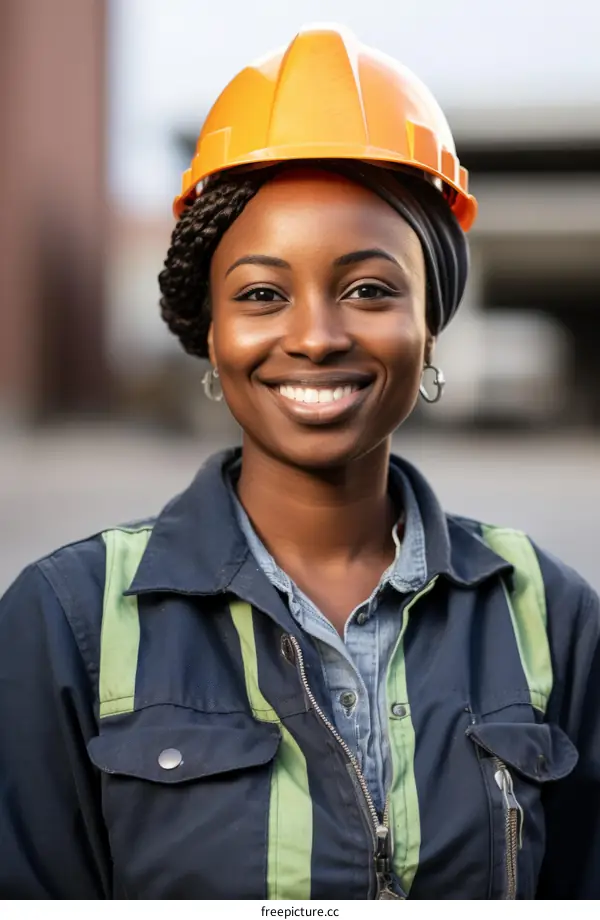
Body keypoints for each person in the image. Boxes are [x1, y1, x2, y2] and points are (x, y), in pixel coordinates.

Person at [0, 24, 598, 901]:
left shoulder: (551, 618)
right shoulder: (66, 624)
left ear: (430, 326)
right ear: (211, 334)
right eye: (262, 294)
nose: (316, 336)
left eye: (369, 289)